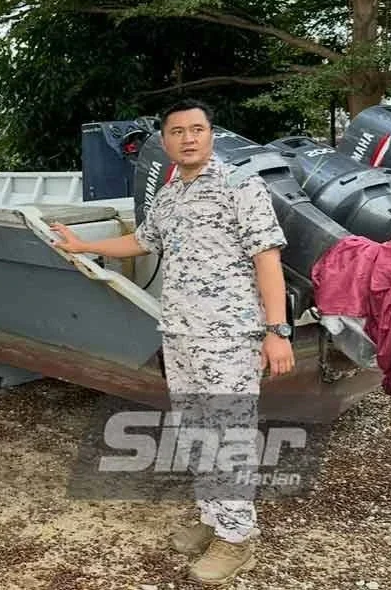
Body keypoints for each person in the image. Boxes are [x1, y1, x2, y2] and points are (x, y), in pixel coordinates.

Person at [51, 99, 295, 586]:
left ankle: (238, 538)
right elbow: (144, 241)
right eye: (178, 131)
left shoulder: (239, 185)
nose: (188, 138)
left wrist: (277, 330)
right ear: (165, 141)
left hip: (227, 334)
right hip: (181, 332)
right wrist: (86, 246)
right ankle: (213, 518)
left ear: (211, 135)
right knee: (197, 429)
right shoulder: (169, 194)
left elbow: (266, 259)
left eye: (197, 129)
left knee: (229, 434)